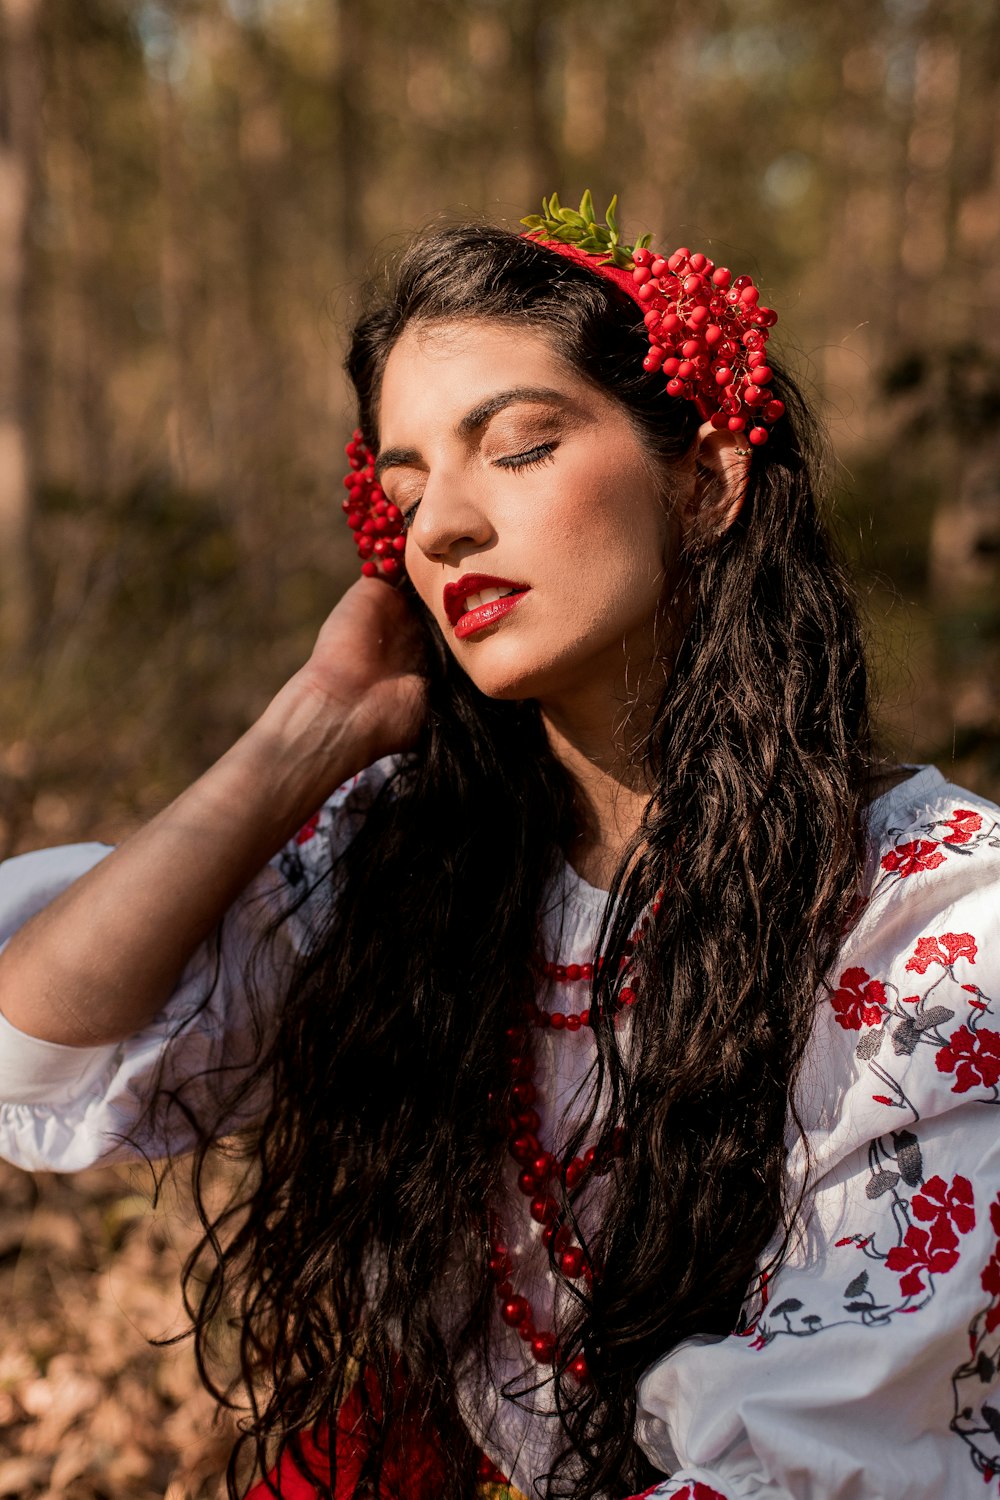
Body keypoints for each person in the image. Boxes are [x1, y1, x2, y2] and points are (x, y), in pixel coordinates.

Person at [1, 190, 999, 1500]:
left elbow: (810, 1465)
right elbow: (38, 1047)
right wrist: (308, 732)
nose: (441, 526)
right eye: (403, 489)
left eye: (518, 447)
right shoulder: (409, 862)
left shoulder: (934, 924)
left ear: (706, 475)